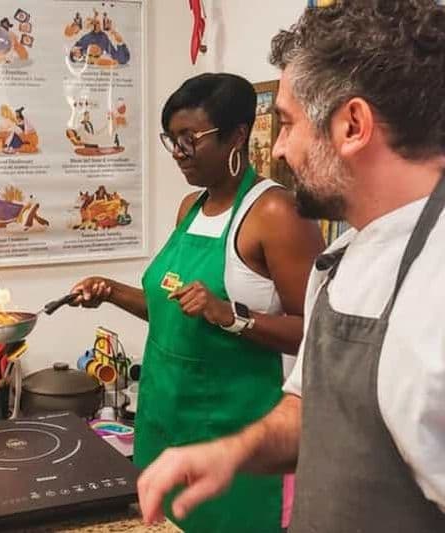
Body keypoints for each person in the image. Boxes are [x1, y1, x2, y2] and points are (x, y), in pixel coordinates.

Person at [137, 3, 445, 532]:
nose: (279, 147)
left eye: (286, 122)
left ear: (352, 125)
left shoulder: (434, 293)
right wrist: (232, 451)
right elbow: (311, 410)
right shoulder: (349, 257)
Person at [70, 73, 324, 532]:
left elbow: (317, 334)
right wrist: (111, 291)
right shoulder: (190, 207)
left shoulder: (275, 213)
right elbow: (173, 312)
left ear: (238, 135)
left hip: (233, 439)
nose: (180, 153)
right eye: (173, 140)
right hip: (164, 427)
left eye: (192, 138)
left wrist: (232, 317)